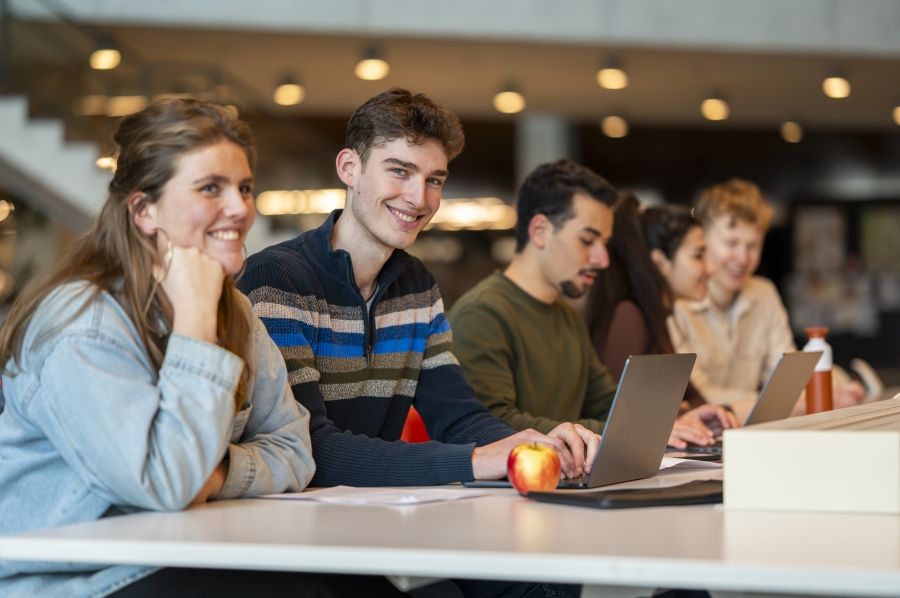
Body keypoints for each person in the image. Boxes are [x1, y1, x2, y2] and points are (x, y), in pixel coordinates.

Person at [0, 99, 410, 598]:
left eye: (243, 188)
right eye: (210, 188)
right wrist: (194, 322)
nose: (239, 208)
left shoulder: (233, 309)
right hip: (79, 579)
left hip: (180, 551)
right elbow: (171, 487)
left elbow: (293, 449)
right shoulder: (83, 323)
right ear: (144, 211)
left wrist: (214, 477)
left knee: (379, 590)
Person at [237, 89, 586, 597]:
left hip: (369, 522)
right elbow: (314, 452)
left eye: (434, 180)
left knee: (543, 575)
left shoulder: (415, 284)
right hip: (289, 543)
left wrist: (536, 442)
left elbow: (459, 415)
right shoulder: (276, 279)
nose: (419, 199)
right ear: (350, 168)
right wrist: (475, 461)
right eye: (399, 171)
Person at [449, 161, 727, 451]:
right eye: (587, 240)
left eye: (604, 244)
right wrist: (621, 431)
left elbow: (610, 404)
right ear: (540, 230)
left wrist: (671, 420)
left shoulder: (568, 317)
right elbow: (492, 426)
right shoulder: (482, 314)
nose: (602, 260)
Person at [669, 178, 865, 422]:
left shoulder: (764, 294)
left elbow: (789, 378)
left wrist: (835, 386)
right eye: (731, 243)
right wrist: (792, 402)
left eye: (752, 246)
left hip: (758, 433)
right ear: (702, 239)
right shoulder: (675, 303)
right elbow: (701, 396)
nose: (742, 257)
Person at [582, 195, 738, 445]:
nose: (711, 268)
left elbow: (691, 400)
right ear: (659, 263)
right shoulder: (629, 317)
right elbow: (619, 416)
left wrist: (687, 413)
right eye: (698, 255)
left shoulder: (659, 318)